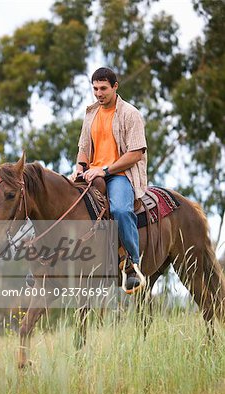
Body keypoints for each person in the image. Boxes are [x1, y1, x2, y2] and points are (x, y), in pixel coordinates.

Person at [71, 67, 147, 293]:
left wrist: (104, 170)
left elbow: (136, 154)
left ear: (115, 86)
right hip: (91, 173)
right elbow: (83, 148)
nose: (98, 93)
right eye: (95, 88)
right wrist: (79, 167)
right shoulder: (90, 113)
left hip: (120, 175)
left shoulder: (130, 114)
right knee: (57, 201)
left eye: (103, 88)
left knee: (122, 211)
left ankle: (133, 265)